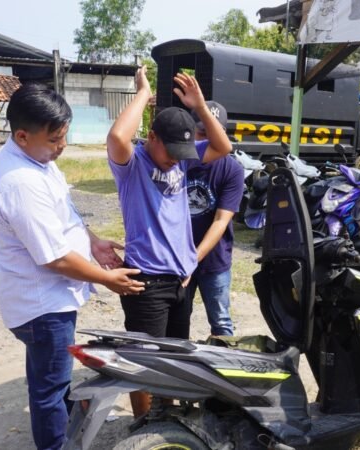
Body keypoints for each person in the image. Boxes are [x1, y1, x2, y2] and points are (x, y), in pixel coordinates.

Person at [0, 84, 144, 450]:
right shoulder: (20, 182)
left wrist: (91, 240)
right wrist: (107, 279)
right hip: (42, 305)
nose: (63, 146)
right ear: (22, 136)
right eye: (55, 139)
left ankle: (70, 425)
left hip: (50, 299)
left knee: (49, 377)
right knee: (49, 389)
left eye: (64, 136)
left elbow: (63, 213)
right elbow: (55, 256)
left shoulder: (38, 161)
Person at [107, 67, 233, 417]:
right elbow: (117, 136)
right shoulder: (132, 164)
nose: (176, 158)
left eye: (183, 150)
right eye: (171, 150)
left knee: (175, 358)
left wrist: (201, 108)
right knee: (144, 364)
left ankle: (168, 419)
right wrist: (143, 93)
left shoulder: (181, 162)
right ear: (151, 136)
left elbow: (224, 146)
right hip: (146, 282)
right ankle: (145, 427)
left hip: (180, 279)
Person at [185, 101, 244, 336]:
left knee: (221, 322)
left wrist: (194, 259)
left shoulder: (232, 170)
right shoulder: (176, 162)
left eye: (213, 133)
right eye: (201, 133)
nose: (206, 140)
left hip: (214, 260)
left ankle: (225, 372)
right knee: (177, 321)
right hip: (177, 259)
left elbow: (221, 221)